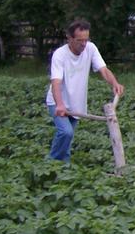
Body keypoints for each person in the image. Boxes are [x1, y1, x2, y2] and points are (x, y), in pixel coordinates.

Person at [46, 19, 124, 162]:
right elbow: (56, 82)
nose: (83, 44)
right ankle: (50, 163)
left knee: (67, 140)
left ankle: (64, 169)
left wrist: (114, 83)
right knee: (66, 133)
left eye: (86, 40)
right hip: (57, 102)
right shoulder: (60, 55)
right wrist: (60, 105)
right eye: (79, 40)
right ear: (69, 38)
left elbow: (103, 70)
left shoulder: (90, 48)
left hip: (76, 103)